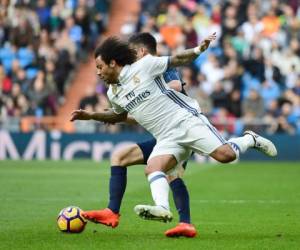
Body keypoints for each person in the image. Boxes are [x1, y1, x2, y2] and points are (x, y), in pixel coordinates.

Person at [70, 33, 277, 235]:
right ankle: (163, 208)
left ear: (113, 63)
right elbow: (118, 116)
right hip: (165, 136)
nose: (98, 72)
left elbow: (177, 59)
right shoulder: (112, 93)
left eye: (100, 67)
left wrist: (198, 49)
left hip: (185, 121)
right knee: (153, 168)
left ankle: (250, 139)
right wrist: (91, 116)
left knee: (226, 156)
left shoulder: (144, 65)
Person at [83, 33, 197, 238]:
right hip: (162, 136)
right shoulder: (133, 79)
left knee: (172, 174)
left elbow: (176, 87)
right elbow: (132, 116)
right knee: (120, 157)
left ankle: (185, 223)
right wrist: (111, 116)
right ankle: (112, 212)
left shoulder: (160, 67)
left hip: (182, 131)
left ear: (142, 51)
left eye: (133, 53)